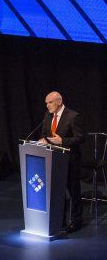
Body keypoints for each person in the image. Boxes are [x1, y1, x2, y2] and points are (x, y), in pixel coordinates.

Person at [37, 91, 84, 233]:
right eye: (46, 103)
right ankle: (60, 219)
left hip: (70, 160)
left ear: (58, 101)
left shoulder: (73, 116)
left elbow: (81, 138)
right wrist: (43, 140)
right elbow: (44, 134)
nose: (47, 106)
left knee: (73, 190)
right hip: (53, 159)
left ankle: (76, 220)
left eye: (49, 102)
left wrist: (62, 141)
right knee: (57, 191)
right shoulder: (47, 116)